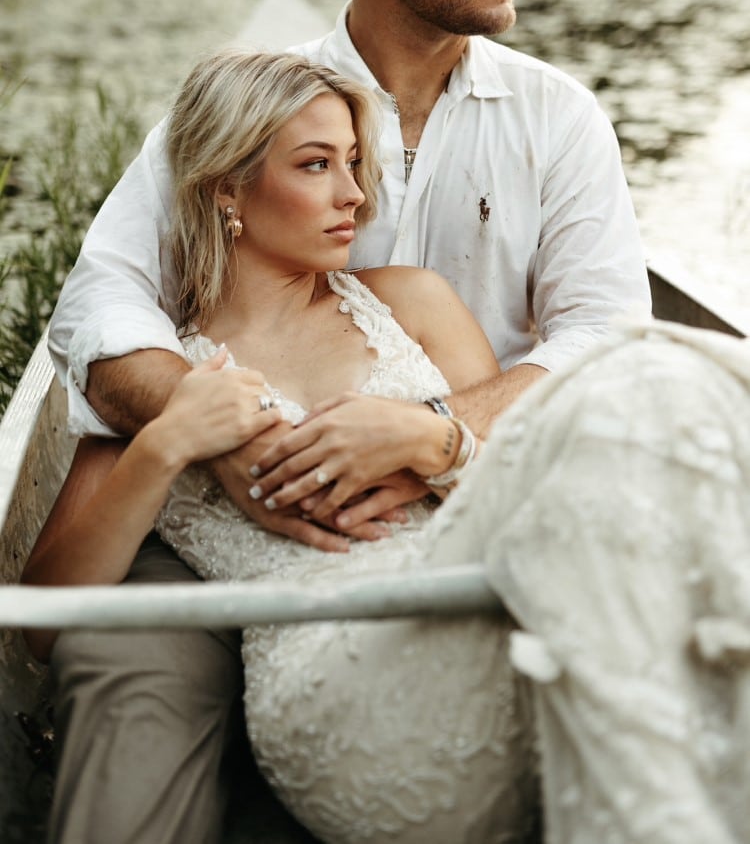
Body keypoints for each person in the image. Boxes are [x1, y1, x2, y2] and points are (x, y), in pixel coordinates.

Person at [43, 0, 651, 843]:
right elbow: (99, 301)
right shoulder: (251, 104)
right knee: (130, 670)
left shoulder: (558, 120)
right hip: (205, 519)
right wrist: (222, 440)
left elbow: (607, 342)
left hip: (455, 496)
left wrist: (437, 434)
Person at [27, 48, 750, 844]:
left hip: (480, 613)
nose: (355, 195)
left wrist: (436, 438)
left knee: (648, 386)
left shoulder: (411, 302)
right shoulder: (163, 374)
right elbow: (44, 617)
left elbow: (516, 494)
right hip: (334, 688)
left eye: (354, 163)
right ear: (227, 187)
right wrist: (168, 445)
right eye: (316, 165)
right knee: (642, 387)